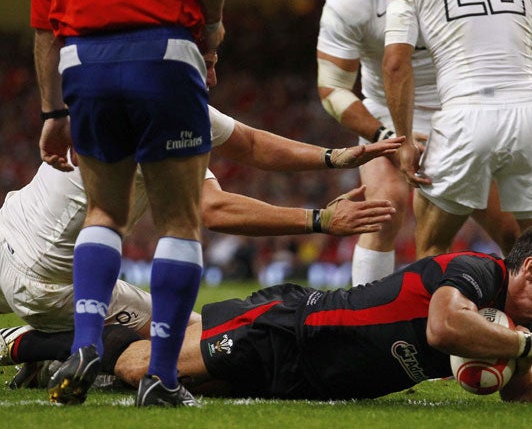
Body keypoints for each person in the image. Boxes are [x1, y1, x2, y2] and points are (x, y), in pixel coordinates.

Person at [0, 49, 400, 374]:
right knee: (193, 340)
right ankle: (28, 344)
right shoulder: (174, 115)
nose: (211, 78)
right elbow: (215, 209)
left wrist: (333, 158)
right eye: (205, 62)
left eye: (214, 63)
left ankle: (48, 342)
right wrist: (320, 219)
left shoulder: (112, 83)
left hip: (8, 232)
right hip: (49, 283)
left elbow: (252, 143)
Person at [6, 226, 532, 408]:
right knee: (148, 364)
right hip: (292, 332)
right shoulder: (475, 270)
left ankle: (38, 342)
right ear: (530, 270)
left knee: (174, 341)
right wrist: (522, 349)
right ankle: (30, 344)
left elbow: (518, 384)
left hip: (307, 373)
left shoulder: (514, 327)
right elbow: (442, 328)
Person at [381, 0, 532, 385]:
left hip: (465, 113)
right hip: (528, 111)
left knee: (433, 243)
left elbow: (394, 63)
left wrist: (402, 138)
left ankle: (437, 351)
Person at [31, 0, 228, 407]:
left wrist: (52, 112)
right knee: (179, 222)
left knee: (102, 212)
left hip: (84, 62)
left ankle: (84, 345)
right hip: (163, 52)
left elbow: (44, 31)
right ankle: (162, 377)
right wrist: (211, 29)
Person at [316, 0, 522, 288]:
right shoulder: (349, 5)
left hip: (460, 108)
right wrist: (387, 137)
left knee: (511, 228)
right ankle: (368, 322)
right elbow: (333, 88)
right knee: (383, 207)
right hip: (386, 112)